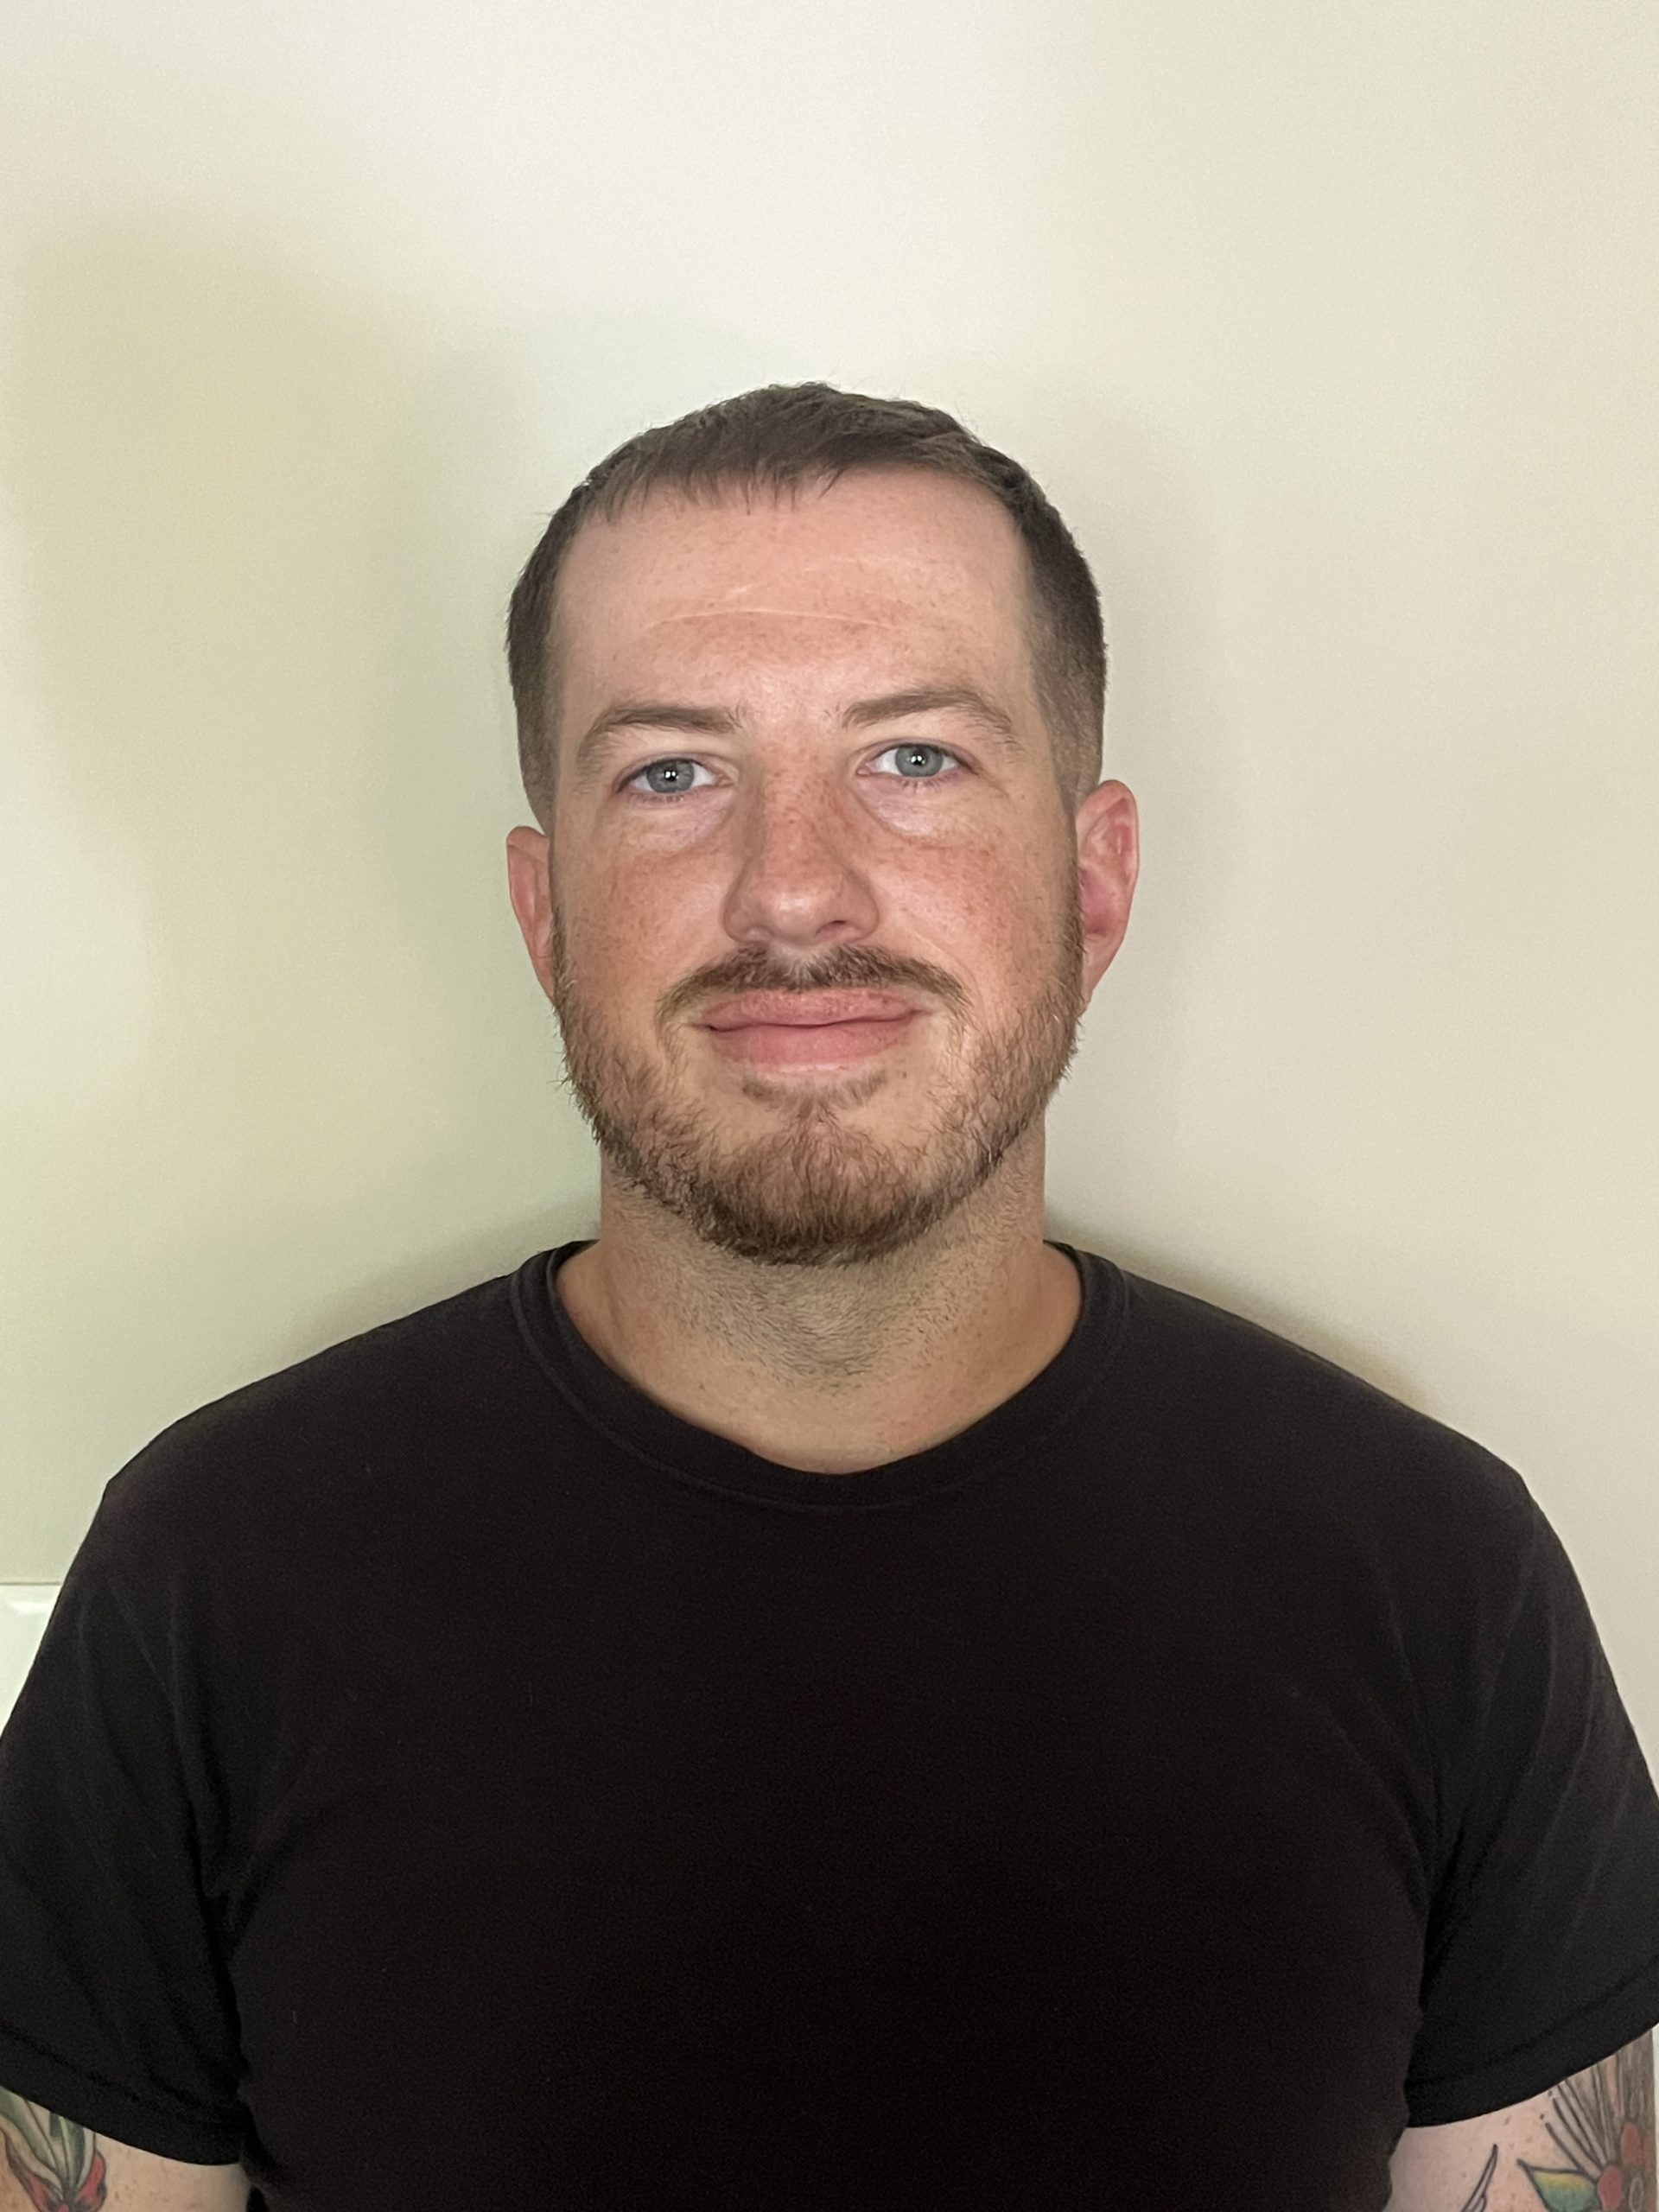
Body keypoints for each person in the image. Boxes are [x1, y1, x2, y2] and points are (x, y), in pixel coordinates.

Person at [0, 383, 1654, 2212]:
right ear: (547, 913)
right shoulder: (212, 1576)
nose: (794, 888)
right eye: (673, 771)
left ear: (1092, 881)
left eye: (917, 758)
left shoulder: (1435, 1579)